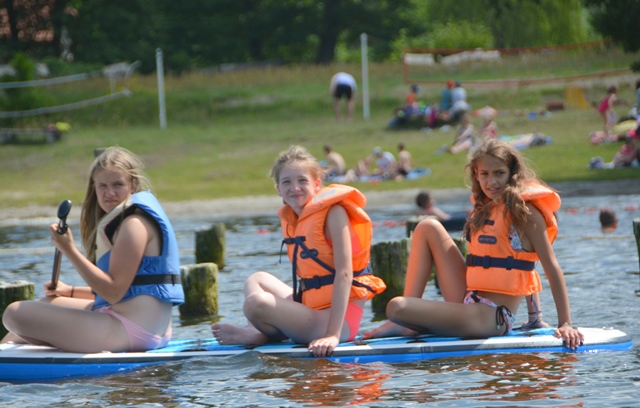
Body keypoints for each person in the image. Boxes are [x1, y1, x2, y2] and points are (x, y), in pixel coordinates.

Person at [363, 139, 583, 350]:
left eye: (499, 173)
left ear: (512, 173)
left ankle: (406, 318)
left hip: (492, 317)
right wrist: (535, 319)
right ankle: (407, 324)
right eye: (484, 174)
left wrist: (565, 323)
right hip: (469, 299)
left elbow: (546, 266)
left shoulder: (525, 212)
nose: (491, 182)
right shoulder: (485, 206)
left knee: (396, 306)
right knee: (427, 226)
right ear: (476, 174)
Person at [1, 147, 184, 353]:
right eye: (102, 186)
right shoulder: (129, 221)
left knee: (14, 313)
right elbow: (130, 288)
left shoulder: (133, 225)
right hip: (144, 326)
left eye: (118, 184)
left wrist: (69, 249)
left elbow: (113, 293)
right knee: (50, 302)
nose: (109, 193)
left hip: (132, 330)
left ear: (133, 185)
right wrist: (70, 291)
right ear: (94, 188)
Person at [211, 145, 386, 357]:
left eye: (302, 180)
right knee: (257, 279)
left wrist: (332, 335)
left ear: (316, 184)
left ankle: (262, 333)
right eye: (287, 182)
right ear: (278, 188)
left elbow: (345, 274)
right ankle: (256, 332)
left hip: (337, 321)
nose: (295, 188)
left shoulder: (334, 212)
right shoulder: (294, 218)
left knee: (255, 304)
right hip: (311, 310)